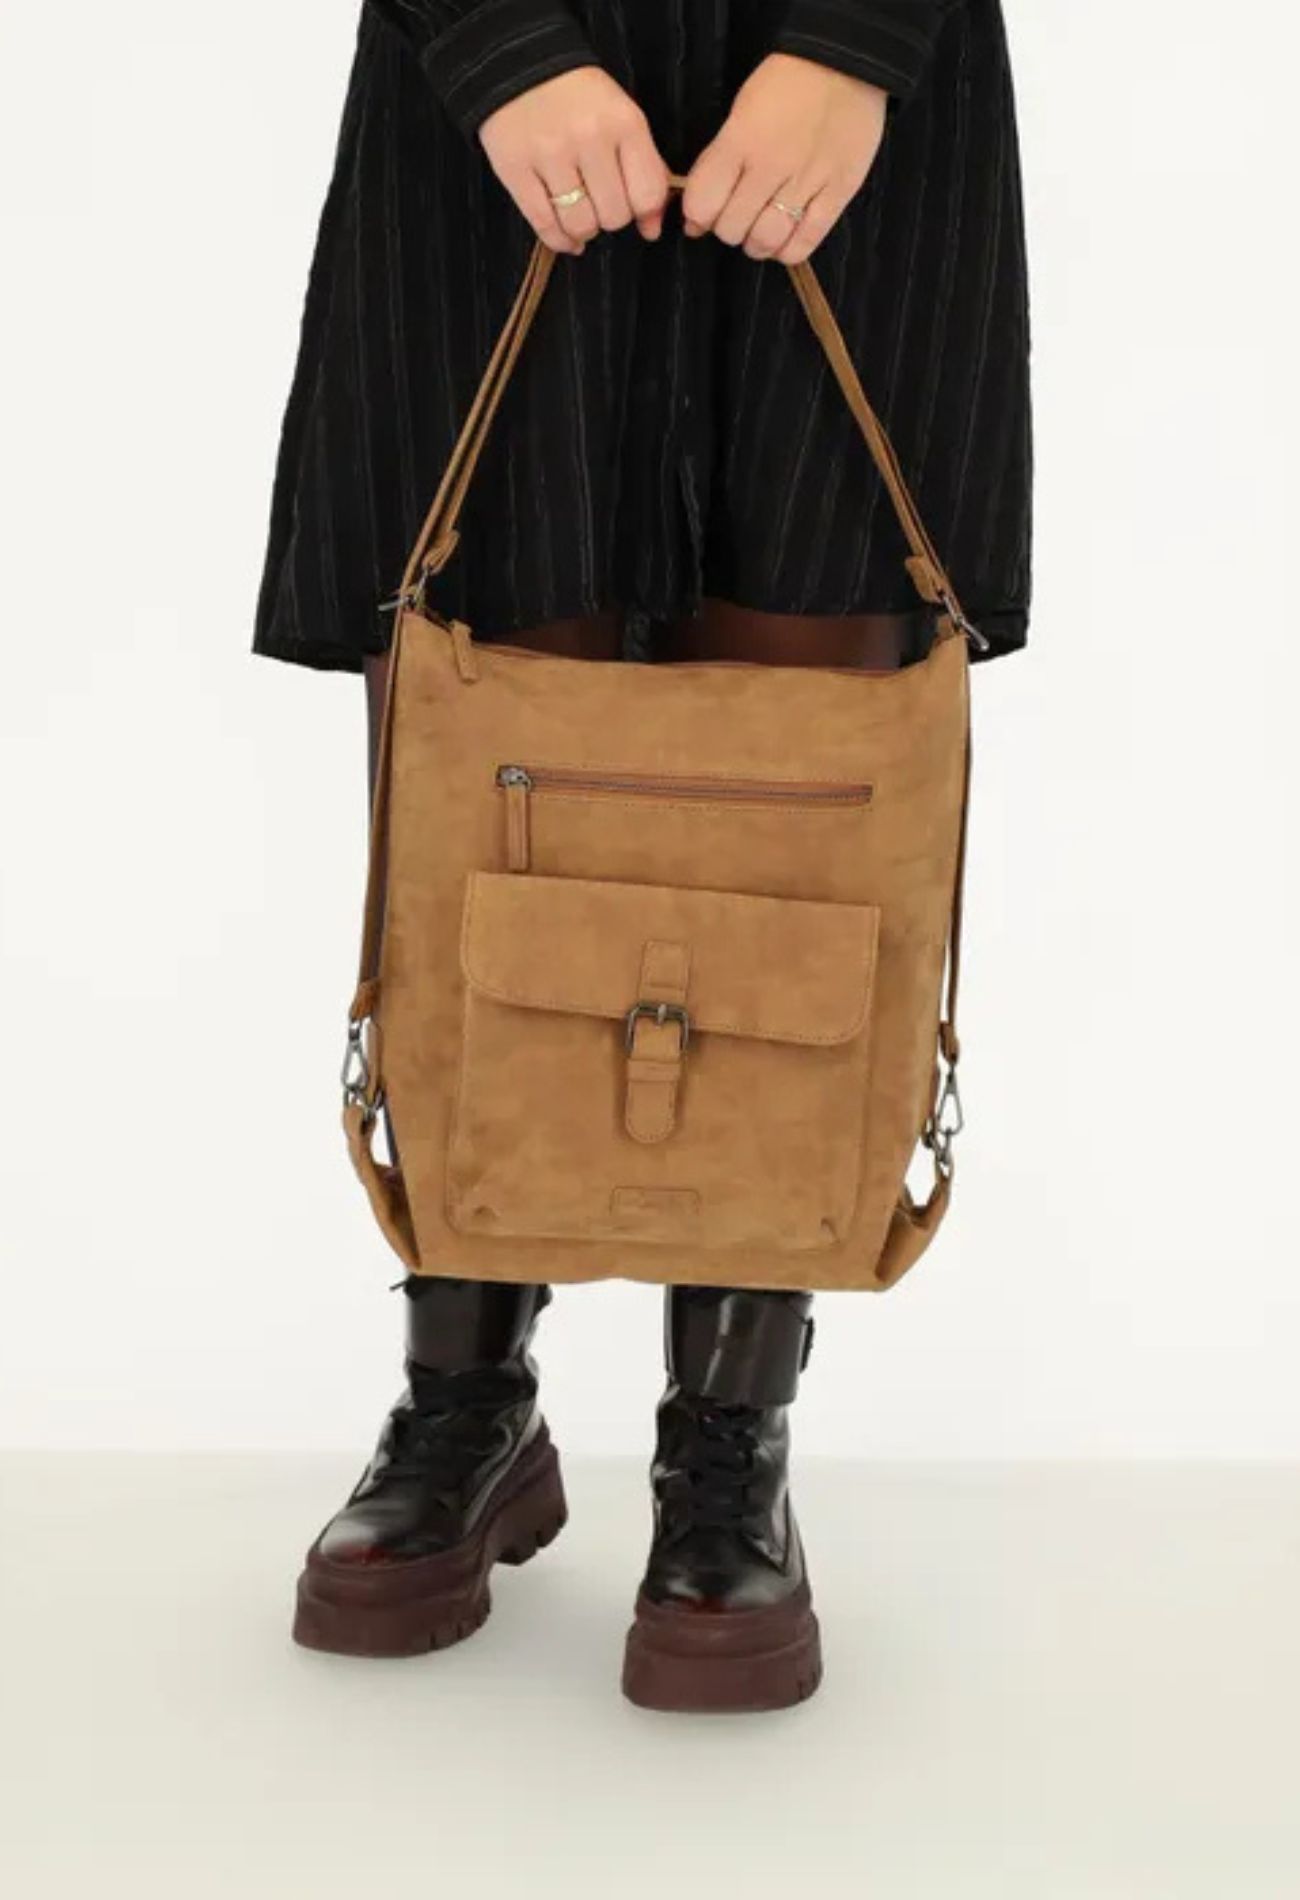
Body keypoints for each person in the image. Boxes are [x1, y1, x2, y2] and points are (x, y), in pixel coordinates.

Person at [254, 0, 1032, 1714]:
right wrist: (495, 46)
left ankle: (728, 1446)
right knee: (481, 756)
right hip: (492, 109)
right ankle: (464, 1403)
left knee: (802, 792)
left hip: (846, 115)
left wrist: (856, 46)